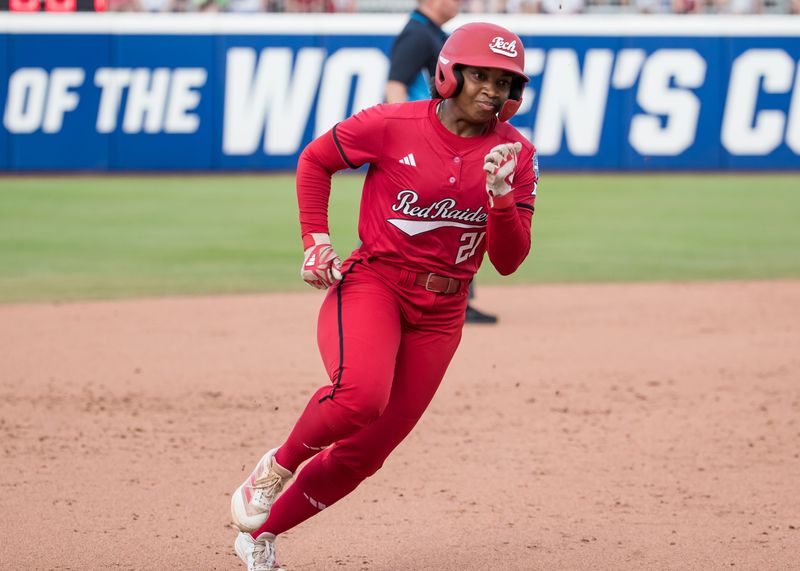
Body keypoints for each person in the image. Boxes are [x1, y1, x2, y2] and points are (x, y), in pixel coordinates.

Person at [230, 22, 539, 571]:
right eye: (479, 75)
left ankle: (261, 537)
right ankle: (276, 468)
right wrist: (315, 241)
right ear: (451, 73)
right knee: (360, 397)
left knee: (368, 452)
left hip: (442, 314)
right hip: (376, 284)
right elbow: (315, 160)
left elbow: (510, 261)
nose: (490, 89)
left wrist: (499, 196)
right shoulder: (393, 124)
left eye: (503, 80)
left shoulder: (516, 154)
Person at [385, 0, 499, 325]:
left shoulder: (433, 33)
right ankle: (377, 285)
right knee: (419, 214)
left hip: (440, 138)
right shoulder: (417, 34)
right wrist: (406, 134)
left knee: (453, 211)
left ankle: (456, 296)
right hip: (423, 139)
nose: (460, 2)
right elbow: (395, 84)